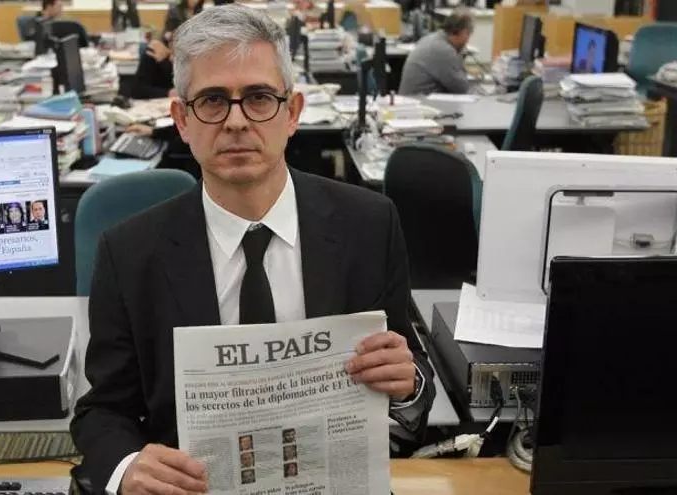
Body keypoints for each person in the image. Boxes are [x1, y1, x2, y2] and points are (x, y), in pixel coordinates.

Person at [69, 6, 436, 494]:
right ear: (182, 119)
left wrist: (407, 384)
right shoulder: (129, 253)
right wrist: (125, 468)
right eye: (213, 100)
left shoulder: (369, 224)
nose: (236, 122)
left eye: (259, 98)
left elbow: (412, 373)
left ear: (293, 113)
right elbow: (102, 410)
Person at [398, 9, 473, 95]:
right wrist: (459, 55)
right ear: (464, 32)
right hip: (420, 100)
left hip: (412, 98)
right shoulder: (445, 50)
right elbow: (462, 88)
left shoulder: (431, 38)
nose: (468, 40)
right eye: (468, 34)